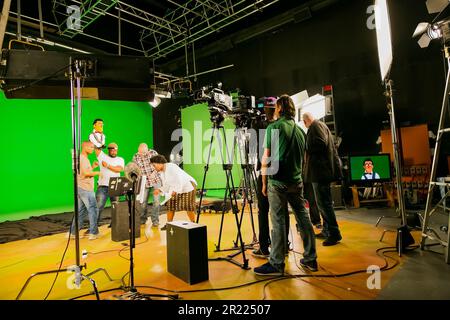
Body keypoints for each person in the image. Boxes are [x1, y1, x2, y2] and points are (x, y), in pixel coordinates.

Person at [254, 95, 318, 276]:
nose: (274, 109)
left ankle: (276, 263)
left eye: (276, 107)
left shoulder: (274, 127)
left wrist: (264, 183)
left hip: (278, 183)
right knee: (303, 218)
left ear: (280, 108)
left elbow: (266, 158)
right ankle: (311, 259)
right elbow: (305, 158)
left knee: (278, 221)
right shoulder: (301, 131)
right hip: (296, 182)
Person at [252, 97, 291, 258]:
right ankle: (284, 246)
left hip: (266, 173)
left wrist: (263, 181)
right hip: (282, 173)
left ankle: (263, 247)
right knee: (283, 212)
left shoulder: (261, 126)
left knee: (263, 211)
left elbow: (256, 150)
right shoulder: (283, 126)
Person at [302, 112, 343, 246]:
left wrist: (306, 147)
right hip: (321, 172)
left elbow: (320, 143)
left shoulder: (315, 126)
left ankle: (334, 233)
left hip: (320, 173)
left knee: (324, 204)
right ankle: (327, 230)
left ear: (305, 121)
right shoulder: (320, 125)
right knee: (324, 203)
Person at [150, 155, 197, 230]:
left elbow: (179, 179)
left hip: (187, 186)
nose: (153, 167)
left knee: (188, 206)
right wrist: (159, 190)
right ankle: (169, 224)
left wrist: (176, 190)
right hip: (177, 188)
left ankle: (194, 224)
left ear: (159, 163)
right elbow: (167, 184)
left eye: (154, 165)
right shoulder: (162, 172)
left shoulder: (171, 167)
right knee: (170, 204)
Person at [68, 141, 102, 240]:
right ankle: (93, 233)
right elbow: (85, 174)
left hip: (80, 188)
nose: (92, 149)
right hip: (86, 189)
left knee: (80, 211)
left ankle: (73, 233)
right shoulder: (83, 159)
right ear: (85, 147)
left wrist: (92, 167)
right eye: (91, 147)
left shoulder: (81, 158)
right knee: (93, 210)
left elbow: (83, 172)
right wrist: (97, 172)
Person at [94, 142, 125, 227]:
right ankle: (93, 227)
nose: (114, 151)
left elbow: (118, 169)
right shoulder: (102, 156)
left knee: (116, 207)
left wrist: (107, 165)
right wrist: (99, 139)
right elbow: (96, 149)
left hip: (116, 185)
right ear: (108, 150)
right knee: (98, 207)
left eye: (115, 149)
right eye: (112, 149)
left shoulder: (120, 159)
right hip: (103, 186)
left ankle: (115, 225)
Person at [132, 143, 161, 226]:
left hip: (155, 180)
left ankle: (155, 220)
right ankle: (142, 218)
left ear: (147, 151)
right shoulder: (136, 156)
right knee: (143, 201)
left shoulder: (153, 154)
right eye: (139, 153)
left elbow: (160, 166)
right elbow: (135, 168)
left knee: (156, 201)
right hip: (144, 182)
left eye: (143, 154)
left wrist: (154, 173)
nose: (141, 155)